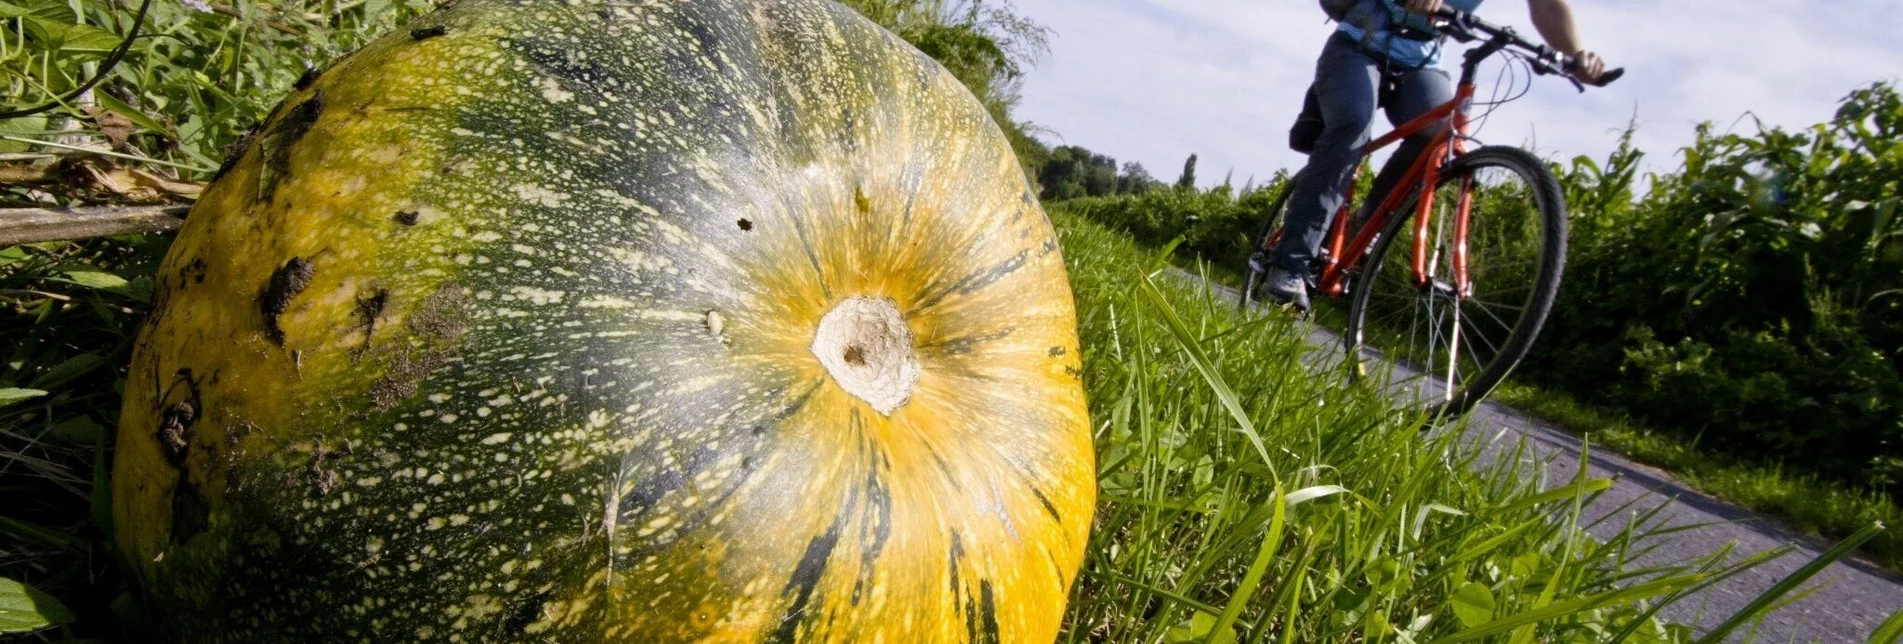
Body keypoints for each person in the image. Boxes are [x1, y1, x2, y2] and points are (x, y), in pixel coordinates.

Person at [1257, 0, 1605, 311]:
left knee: (1441, 137)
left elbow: (1547, 6)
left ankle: (1365, 225)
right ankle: (1289, 263)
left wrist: (1576, 54)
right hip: (1357, 47)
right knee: (1353, 126)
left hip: (1421, 62)